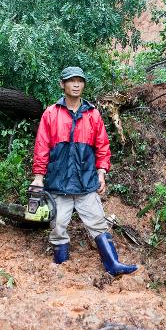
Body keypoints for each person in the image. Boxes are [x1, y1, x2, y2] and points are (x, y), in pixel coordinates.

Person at [31, 66, 137, 276]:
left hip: (86, 183)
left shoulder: (92, 114)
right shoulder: (51, 113)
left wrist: (101, 173)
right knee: (58, 227)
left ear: (84, 85)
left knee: (98, 223)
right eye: (71, 80)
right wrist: (38, 177)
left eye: (80, 80)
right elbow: (41, 146)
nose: (76, 84)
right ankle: (60, 269)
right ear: (63, 84)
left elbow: (103, 146)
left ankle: (112, 264)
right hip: (58, 184)